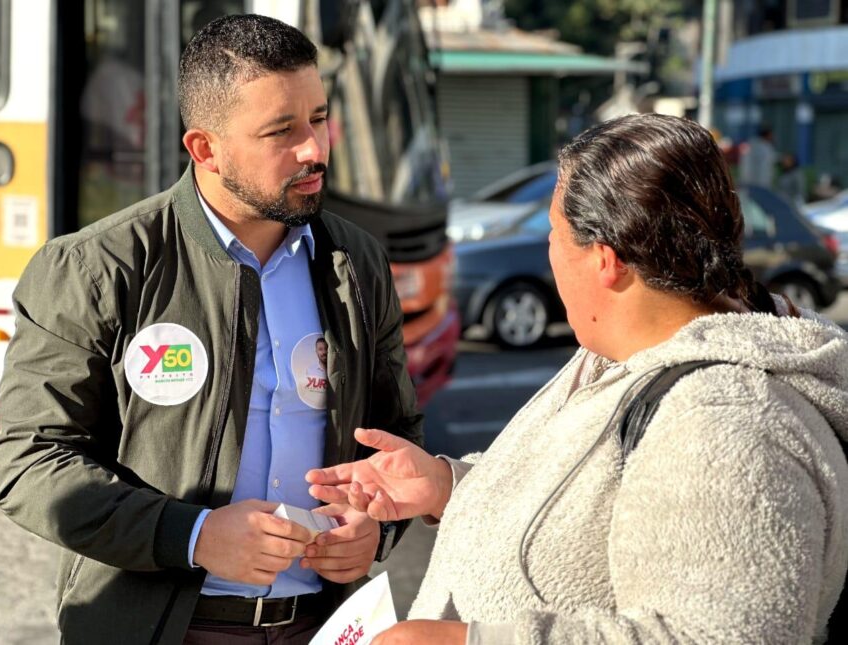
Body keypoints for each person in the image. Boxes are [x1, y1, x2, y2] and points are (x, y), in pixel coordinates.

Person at [308, 114, 848, 644]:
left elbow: (727, 635)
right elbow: (583, 508)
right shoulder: (628, 354)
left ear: (606, 261)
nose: (548, 251)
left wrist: (468, 642)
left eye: (553, 233)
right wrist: (446, 486)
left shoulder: (730, 423)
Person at [0, 14, 422, 645]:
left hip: (327, 627)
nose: (315, 150)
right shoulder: (94, 268)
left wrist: (376, 529)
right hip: (163, 630)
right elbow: (27, 459)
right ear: (205, 149)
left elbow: (396, 435)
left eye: (320, 119)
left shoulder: (356, 262)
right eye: (282, 131)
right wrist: (192, 536)